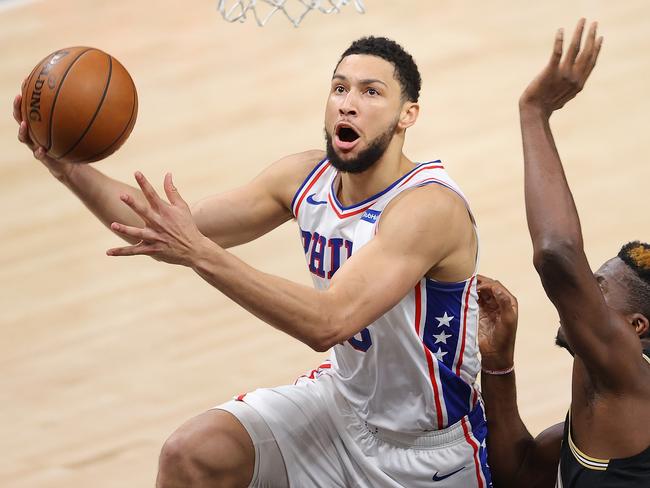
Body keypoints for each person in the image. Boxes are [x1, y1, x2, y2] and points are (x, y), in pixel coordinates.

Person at [14, 37, 490, 487]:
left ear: (408, 115)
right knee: (192, 455)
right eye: (339, 87)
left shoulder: (428, 208)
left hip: (425, 453)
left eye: (371, 92)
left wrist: (200, 253)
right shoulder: (305, 177)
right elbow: (163, 227)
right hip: (341, 409)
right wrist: (65, 166)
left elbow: (329, 322)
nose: (348, 102)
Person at [477, 19, 650, 488]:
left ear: (636, 329)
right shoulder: (593, 413)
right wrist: (498, 363)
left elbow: (556, 255)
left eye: (598, 288)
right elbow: (517, 474)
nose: (583, 291)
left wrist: (534, 111)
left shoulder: (634, 382)